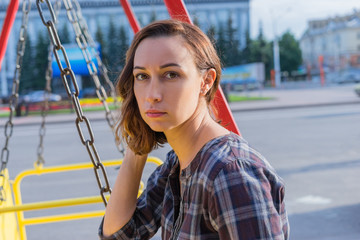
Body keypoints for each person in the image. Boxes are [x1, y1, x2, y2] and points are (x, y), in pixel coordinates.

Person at [99, 19, 289, 240]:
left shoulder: (230, 173)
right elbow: (120, 235)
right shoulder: (176, 165)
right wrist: (138, 146)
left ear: (206, 81)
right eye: (142, 76)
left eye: (171, 74)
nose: (152, 94)